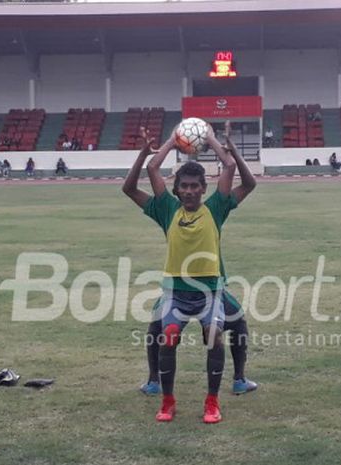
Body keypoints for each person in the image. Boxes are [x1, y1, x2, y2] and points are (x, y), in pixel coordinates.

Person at [123, 121, 247, 424]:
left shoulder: (215, 208)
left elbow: (230, 166)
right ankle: (167, 401)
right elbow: (152, 170)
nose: (190, 191)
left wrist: (213, 140)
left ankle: (212, 402)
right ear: (176, 189)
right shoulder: (167, 209)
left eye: (195, 187)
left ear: (204, 189)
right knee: (166, 335)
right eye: (184, 186)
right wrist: (167, 143)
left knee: (215, 335)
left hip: (210, 293)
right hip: (176, 293)